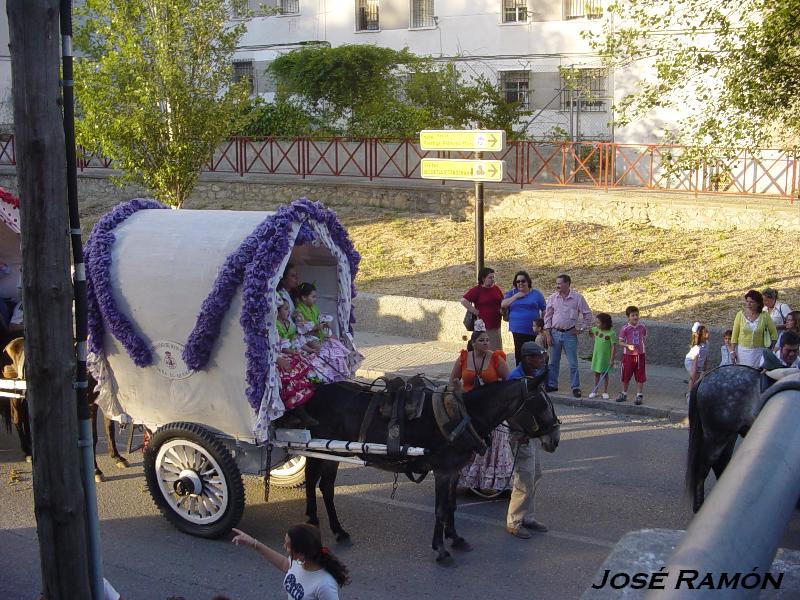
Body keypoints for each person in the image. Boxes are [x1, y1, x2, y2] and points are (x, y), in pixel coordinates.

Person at [450, 326, 512, 491]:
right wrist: (456, 394)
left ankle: (491, 482)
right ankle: (467, 479)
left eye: (487, 340)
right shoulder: (464, 358)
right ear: (473, 343)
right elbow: (452, 380)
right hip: (468, 407)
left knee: (494, 440)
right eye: (482, 340)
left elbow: (509, 382)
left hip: (491, 409)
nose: (486, 343)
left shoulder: (496, 359)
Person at [231, 524, 350, 600]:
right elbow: (284, 564)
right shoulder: (299, 563)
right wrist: (254, 543)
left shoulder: (325, 584)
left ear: (301, 554)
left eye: (287, 546)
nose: (284, 547)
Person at [505, 341, 549, 539]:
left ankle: (528, 517)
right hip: (520, 435)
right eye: (538, 357)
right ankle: (514, 522)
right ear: (528, 359)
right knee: (524, 479)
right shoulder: (515, 379)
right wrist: (520, 431)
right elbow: (510, 410)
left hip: (533, 433)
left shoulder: (535, 374)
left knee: (535, 475)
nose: (542, 359)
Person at [294, 282, 360, 383]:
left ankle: (340, 371)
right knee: (320, 349)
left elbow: (319, 317)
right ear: (304, 297)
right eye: (313, 297)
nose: (315, 299)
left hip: (318, 334)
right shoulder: (299, 311)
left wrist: (325, 323)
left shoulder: (313, 308)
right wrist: (316, 327)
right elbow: (301, 327)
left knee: (335, 341)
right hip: (307, 337)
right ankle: (326, 372)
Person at [543, 274, 592, 397]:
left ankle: (575, 387)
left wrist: (581, 329)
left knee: (573, 363)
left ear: (567, 284)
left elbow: (587, 315)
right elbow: (547, 317)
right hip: (555, 333)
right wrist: (548, 334)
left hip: (570, 334)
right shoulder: (553, 298)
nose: (557, 285)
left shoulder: (578, 298)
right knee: (553, 362)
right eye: (557, 283)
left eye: (560, 283)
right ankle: (552, 385)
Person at [275, 297, 319, 428]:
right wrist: (293, 352)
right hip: (280, 354)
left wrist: (309, 350)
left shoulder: (289, 324)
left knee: (308, 365)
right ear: (277, 311)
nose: (288, 312)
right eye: (285, 309)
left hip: (292, 352)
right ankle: (293, 412)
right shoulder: (276, 325)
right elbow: (282, 346)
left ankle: (306, 405)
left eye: (288, 309)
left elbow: (296, 341)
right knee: (291, 374)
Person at [501, 270, 546, 365]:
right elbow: (503, 305)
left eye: (523, 281)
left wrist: (542, 324)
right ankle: (520, 377)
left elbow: (544, 309)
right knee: (520, 354)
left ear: (528, 282)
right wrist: (516, 296)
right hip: (518, 329)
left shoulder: (536, 294)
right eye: (518, 281)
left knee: (533, 354)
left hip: (533, 329)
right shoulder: (512, 293)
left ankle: (532, 376)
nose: (520, 283)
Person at [461, 267, 504, 351]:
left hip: (496, 324)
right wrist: (474, 311)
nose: (492, 279)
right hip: (484, 326)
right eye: (490, 277)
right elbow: (463, 300)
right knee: (487, 349)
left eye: (493, 277)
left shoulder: (496, 288)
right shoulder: (477, 290)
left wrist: (502, 310)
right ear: (483, 278)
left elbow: (502, 301)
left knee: (497, 348)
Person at [731, 289, 777, 368]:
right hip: (742, 351)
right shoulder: (740, 315)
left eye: (751, 302)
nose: (748, 304)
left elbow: (774, 334)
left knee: (756, 373)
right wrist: (732, 351)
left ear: (758, 303)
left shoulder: (765, 316)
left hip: (758, 352)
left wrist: (769, 349)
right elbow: (734, 335)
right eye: (747, 301)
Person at [615, 306, 647, 405]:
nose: (635, 317)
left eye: (637, 315)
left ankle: (639, 395)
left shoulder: (642, 327)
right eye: (633, 315)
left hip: (640, 355)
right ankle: (624, 393)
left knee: (640, 375)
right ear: (628, 317)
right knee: (626, 374)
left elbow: (643, 338)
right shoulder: (625, 329)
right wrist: (628, 345)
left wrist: (640, 348)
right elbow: (620, 342)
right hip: (628, 356)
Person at [588, 313, 617, 400]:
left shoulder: (611, 333)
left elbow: (613, 347)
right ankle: (595, 390)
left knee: (605, 374)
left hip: (605, 358)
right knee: (596, 373)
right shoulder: (596, 330)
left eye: (598, 322)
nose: (596, 324)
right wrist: (593, 336)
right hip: (597, 356)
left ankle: (605, 391)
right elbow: (590, 332)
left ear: (605, 324)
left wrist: (612, 359)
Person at [685, 322, 711, 396]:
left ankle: (693, 391)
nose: (708, 333)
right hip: (691, 362)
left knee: (697, 378)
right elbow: (694, 361)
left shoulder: (707, 343)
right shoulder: (697, 348)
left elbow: (705, 355)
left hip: (699, 363)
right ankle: (690, 394)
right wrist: (694, 371)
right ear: (701, 335)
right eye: (706, 332)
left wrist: (705, 366)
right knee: (693, 377)